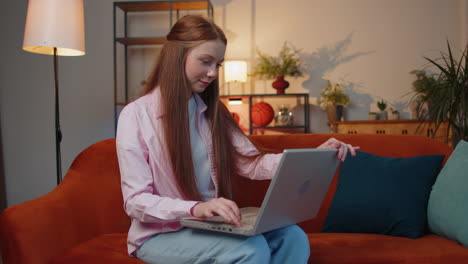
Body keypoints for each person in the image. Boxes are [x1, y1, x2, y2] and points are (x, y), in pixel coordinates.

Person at [116, 15, 358, 264]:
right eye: (205, 61)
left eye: (218, 64)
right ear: (177, 56)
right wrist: (195, 208)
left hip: (207, 227)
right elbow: (135, 201)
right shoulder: (136, 115)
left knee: (293, 237)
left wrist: (315, 155)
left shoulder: (214, 112)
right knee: (250, 250)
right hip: (160, 236)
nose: (212, 73)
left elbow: (251, 163)